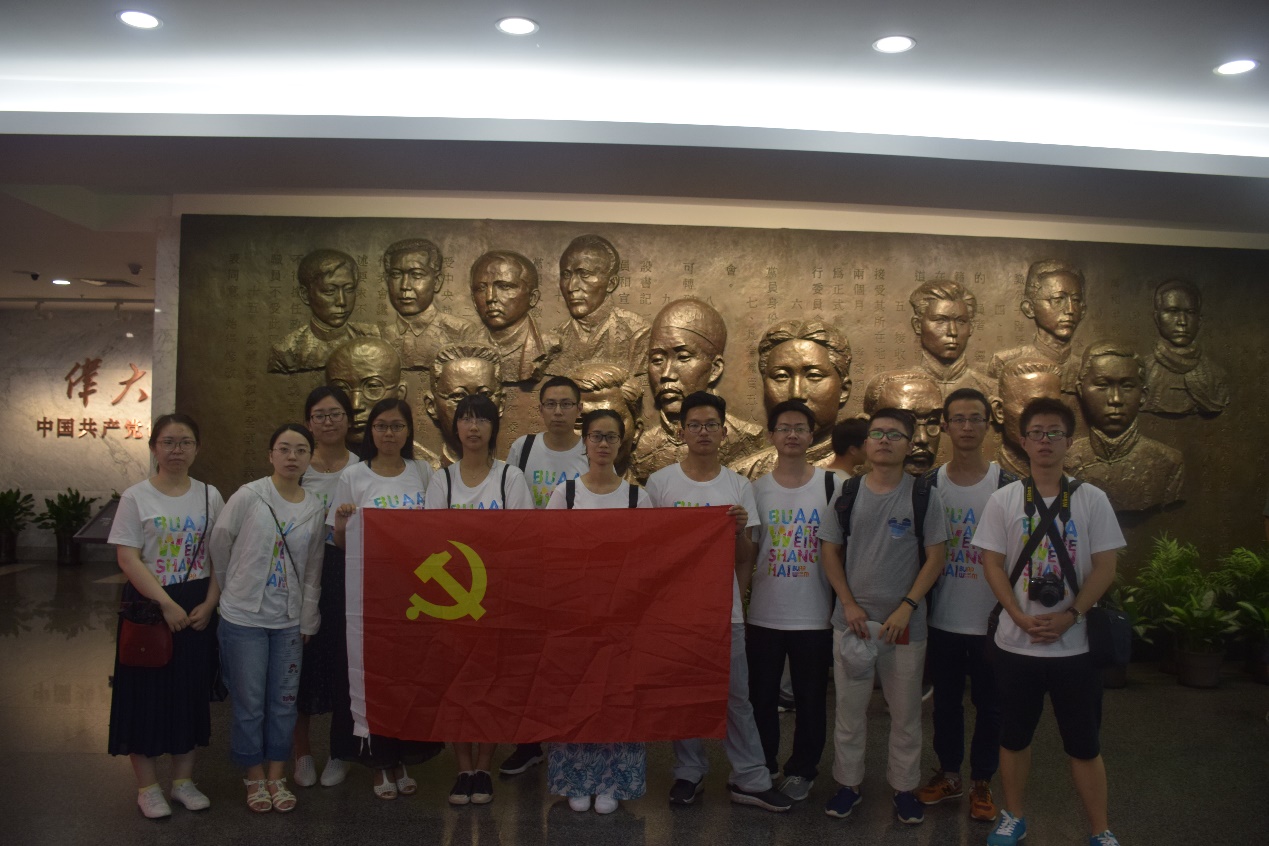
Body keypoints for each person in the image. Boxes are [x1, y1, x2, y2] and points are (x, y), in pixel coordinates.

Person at [974, 397, 1126, 846]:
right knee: (1013, 737)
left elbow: (1105, 567)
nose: (1045, 441)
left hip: (1075, 647)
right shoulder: (1004, 500)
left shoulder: (1092, 499)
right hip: (1015, 644)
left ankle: (1100, 829)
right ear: (1023, 441)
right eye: (1036, 433)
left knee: (1084, 743)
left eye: (1054, 433)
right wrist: (1017, 614)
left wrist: (1071, 615)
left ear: (1069, 441)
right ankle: (1013, 816)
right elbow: (992, 563)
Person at [645, 391, 793, 813]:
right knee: (682, 694)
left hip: (724, 610)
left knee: (736, 697)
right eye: (695, 425)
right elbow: (651, 551)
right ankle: (688, 772)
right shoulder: (661, 483)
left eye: (711, 425)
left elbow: (745, 557)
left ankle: (750, 777)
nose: (703, 432)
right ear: (681, 432)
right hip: (675, 612)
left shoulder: (737, 485)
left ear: (724, 432)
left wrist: (739, 532)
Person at [821, 407, 949, 825]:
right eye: (877, 433)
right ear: (866, 442)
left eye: (895, 434)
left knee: (906, 714)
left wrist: (907, 607)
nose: (884, 441)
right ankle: (848, 785)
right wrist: (848, 603)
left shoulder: (924, 495)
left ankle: (905, 789)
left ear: (909, 445)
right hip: (853, 624)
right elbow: (829, 551)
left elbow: (936, 557)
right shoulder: (848, 492)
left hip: (904, 626)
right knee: (849, 712)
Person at [108, 413, 225, 819]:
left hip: (196, 604)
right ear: (154, 447)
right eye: (169, 442)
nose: (177, 450)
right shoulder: (136, 496)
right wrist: (165, 604)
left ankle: (183, 782)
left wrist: (211, 603)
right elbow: (128, 558)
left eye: (186, 442)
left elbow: (219, 556)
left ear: (197, 448)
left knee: (189, 693)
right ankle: (148, 788)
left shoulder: (210, 495)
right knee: (144, 694)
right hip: (149, 604)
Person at [210, 423, 327, 814]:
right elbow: (220, 542)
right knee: (249, 704)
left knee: (284, 703)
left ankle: (278, 775)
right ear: (271, 455)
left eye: (301, 450)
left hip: (288, 621)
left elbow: (313, 568)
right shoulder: (250, 496)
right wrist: (232, 589)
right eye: (284, 448)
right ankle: (254, 776)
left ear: (309, 457)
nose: (292, 456)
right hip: (244, 619)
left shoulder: (314, 507)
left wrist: (307, 619)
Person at [425, 394, 535, 805]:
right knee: (455, 686)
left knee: (490, 685)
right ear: (456, 428)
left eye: (482, 420)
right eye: (466, 419)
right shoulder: (443, 480)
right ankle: (462, 769)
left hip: (497, 599)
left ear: (493, 428)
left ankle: (484, 768)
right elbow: (433, 539)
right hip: (453, 599)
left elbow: (522, 538)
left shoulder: (510, 478)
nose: (473, 427)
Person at [544, 408, 653, 813]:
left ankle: (612, 782)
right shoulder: (566, 494)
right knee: (576, 696)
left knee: (617, 697)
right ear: (585, 442)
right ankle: (576, 779)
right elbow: (549, 551)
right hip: (575, 616)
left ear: (621, 443)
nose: (603, 444)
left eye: (611, 437)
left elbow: (649, 559)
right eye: (595, 436)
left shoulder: (637, 497)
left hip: (622, 617)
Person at [329, 398, 438, 799]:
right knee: (372, 680)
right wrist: (343, 524)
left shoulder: (423, 472)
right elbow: (342, 543)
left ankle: (401, 756)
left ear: (408, 432)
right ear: (370, 431)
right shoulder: (353, 476)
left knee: (406, 678)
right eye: (381, 426)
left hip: (415, 595)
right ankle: (378, 763)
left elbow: (436, 530)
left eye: (396, 426)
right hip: (370, 596)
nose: (389, 433)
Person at [916, 388, 1015, 822]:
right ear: (945, 426)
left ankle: (982, 781)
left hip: (994, 620)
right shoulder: (929, 486)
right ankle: (950, 774)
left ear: (988, 424)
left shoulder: (1009, 486)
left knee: (992, 705)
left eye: (976, 418)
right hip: (943, 617)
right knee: (946, 704)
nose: (968, 427)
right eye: (958, 419)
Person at [745, 399, 842, 803]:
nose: (791, 435)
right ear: (771, 435)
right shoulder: (755, 490)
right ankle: (763, 764)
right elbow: (749, 553)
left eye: (800, 428)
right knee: (761, 698)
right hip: (765, 613)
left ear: (811, 435)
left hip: (814, 614)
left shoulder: (833, 486)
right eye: (784, 428)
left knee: (811, 699)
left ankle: (803, 769)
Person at [497, 376, 589, 777]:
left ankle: (571, 741)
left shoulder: (590, 449)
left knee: (570, 659)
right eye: (550, 404)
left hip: (574, 571)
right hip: (529, 569)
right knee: (527, 660)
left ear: (579, 409)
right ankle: (528, 743)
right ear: (540, 410)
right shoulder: (524, 447)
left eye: (566, 404)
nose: (558, 412)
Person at [291, 387, 360, 790]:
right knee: (298, 662)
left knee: (341, 661)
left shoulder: (362, 467)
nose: (328, 421)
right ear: (309, 423)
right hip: (299, 570)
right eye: (320, 415)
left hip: (345, 569)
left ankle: (339, 751)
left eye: (336, 414)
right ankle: (301, 753)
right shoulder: (297, 465)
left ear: (349, 420)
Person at [633, 298, 764, 481]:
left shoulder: (748, 440)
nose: (667, 374)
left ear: (714, 369)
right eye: (657, 360)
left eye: (683, 357)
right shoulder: (640, 450)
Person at [1066, 342, 1184, 513]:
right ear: (1081, 390)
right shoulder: (1063, 461)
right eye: (1102, 385)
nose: (1115, 399)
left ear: (1143, 395)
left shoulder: (1169, 463)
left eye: (1127, 386)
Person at [731, 319, 853, 480]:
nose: (796, 394)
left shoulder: (869, 472)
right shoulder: (741, 477)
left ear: (843, 390)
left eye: (814, 375)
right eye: (781, 376)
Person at [550, 234, 651, 379]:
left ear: (611, 283)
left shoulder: (638, 334)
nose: (571, 287)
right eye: (566, 275)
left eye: (584, 274)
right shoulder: (554, 338)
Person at [380, 238, 483, 375]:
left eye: (416, 275)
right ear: (387, 280)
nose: (404, 286)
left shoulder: (461, 332)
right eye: (396, 275)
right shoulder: (378, 336)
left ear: (437, 281)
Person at [268, 250, 379, 374]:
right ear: (305, 295)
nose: (341, 301)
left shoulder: (372, 336)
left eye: (349, 289)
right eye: (329, 291)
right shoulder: (287, 351)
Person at [988, 259, 1087, 393]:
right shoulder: (1005, 362)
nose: (1070, 310)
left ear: (1083, 310)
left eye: (1076, 300)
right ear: (1029, 308)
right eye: (1058, 300)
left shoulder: (1088, 368)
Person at [470, 250, 560, 383]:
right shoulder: (466, 348)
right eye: (481, 289)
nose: (490, 298)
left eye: (504, 287)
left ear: (532, 298)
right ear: (473, 300)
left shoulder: (551, 344)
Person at [1141, 278, 1228, 416]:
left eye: (1190, 312)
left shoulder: (1216, 375)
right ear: (1157, 318)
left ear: (1199, 321)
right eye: (1173, 311)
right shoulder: (1141, 372)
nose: (1182, 321)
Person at [422, 344, 505, 468]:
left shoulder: (510, 475)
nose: (472, 411)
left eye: (484, 395)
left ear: (501, 404)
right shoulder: (427, 474)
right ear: (432, 406)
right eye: (458, 396)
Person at [908, 280, 993, 398]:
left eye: (961, 321)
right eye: (940, 320)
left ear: (971, 327)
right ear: (918, 325)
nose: (952, 332)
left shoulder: (990, 389)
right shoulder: (899, 387)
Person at [325, 337, 408, 446]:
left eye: (372, 387)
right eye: (341, 389)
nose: (355, 405)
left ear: (400, 394)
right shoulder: (310, 456)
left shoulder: (420, 458)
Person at [862, 369, 944, 476]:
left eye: (933, 422)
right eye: (906, 422)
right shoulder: (851, 485)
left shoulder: (944, 486)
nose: (922, 439)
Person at [993, 360, 1063, 478]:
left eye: (1054, 407)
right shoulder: (982, 481)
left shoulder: (1071, 484)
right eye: (1033, 406)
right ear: (999, 411)